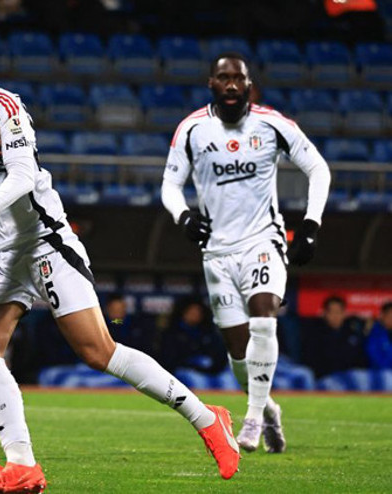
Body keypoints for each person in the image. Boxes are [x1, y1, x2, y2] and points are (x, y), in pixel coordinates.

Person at [0, 16, 241, 492]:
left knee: (97, 350)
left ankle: (207, 417)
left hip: (43, 239)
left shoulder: (7, 106)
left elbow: (24, 175)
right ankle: (23, 465)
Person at [160, 52, 332, 454]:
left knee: (264, 319)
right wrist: (183, 217)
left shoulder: (273, 124)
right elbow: (170, 186)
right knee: (238, 354)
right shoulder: (192, 129)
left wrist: (310, 225)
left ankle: (253, 419)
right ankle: (269, 407)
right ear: (212, 84)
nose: (232, 85)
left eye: (239, 78)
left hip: (263, 242)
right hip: (217, 253)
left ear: (249, 84)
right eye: (224, 78)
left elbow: (318, 168)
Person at [302, 296, 369, 377]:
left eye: (338, 312)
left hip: (350, 379)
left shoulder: (352, 335)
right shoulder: (315, 335)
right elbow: (311, 363)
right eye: (332, 312)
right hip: (325, 380)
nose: (335, 316)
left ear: (344, 313)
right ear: (325, 314)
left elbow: (361, 362)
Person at [365, 301, 392, 369]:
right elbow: (374, 356)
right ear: (382, 315)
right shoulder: (373, 333)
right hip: (380, 374)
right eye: (389, 316)